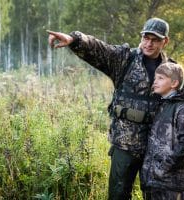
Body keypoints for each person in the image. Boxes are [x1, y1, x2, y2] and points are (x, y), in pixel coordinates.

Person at [48, 17, 175, 200]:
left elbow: (180, 103)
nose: (148, 43)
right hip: (125, 144)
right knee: (118, 194)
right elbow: (98, 48)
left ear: (165, 41)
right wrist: (74, 39)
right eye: (146, 38)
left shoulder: (171, 69)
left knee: (157, 195)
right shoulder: (124, 59)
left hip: (157, 145)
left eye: (154, 40)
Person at [140, 62, 184, 200]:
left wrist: (165, 166)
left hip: (171, 185)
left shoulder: (181, 108)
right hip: (154, 182)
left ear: (174, 83)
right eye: (155, 78)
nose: (155, 82)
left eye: (160, 78)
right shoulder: (162, 104)